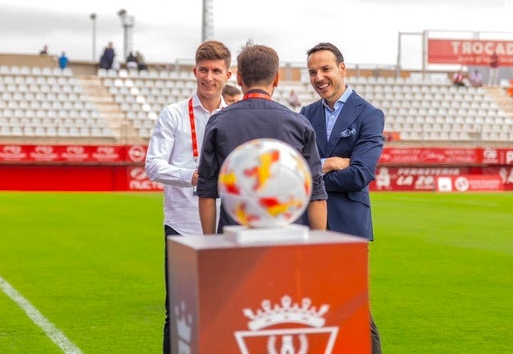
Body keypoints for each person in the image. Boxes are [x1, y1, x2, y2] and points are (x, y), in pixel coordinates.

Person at [144, 40, 232, 354]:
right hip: (182, 227)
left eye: (216, 71)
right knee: (179, 313)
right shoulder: (173, 114)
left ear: (228, 74)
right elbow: (152, 165)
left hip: (226, 229)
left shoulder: (234, 117)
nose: (209, 77)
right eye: (204, 70)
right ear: (195, 72)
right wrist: (191, 176)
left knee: (224, 309)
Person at [300, 42, 385, 354]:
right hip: (311, 225)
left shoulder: (369, 115)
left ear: (342, 69)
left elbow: (361, 174)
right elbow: (300, 172)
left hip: (349, 226)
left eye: (325, 69)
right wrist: (332, 162)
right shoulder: (306, 113)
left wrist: (317, 173)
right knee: (315, 308)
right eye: (312, 72)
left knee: (356, 309)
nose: (319, 77)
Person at [197, 43, 327, 235]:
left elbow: (207, 192)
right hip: (288, 240)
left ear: (239, 78)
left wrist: (209, 245)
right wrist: (318, 248)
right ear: (276, 79)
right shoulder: (300, 124)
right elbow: (316, 194)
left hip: (234, 240)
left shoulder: (219, 122)